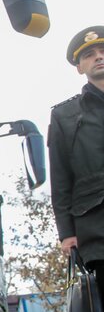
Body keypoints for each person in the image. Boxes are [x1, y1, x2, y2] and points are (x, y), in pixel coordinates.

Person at [50, 26, 104, 276]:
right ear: (80, 67)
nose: (99, 57)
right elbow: (60, 178)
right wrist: (66, 233)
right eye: (89, 54)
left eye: (103, 51)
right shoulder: (65, 116)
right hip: (97, 234)